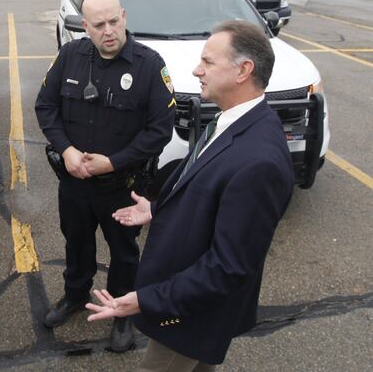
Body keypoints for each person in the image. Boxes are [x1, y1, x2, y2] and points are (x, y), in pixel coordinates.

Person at [86, 20, 295, 370]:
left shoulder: (260, 161)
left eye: (208, 62)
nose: (197, 70)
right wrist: (159, 209)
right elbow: (211, 193)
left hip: (189, 317)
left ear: (244, 70)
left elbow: (228, 267)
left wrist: (145, 300)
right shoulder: (234, 121)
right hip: (188, 305)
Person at [34, 0, 175, 351]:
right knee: (76, 243)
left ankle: (122, 312)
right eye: (99, 25)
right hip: (75, 182)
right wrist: (66, 151)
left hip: (121, 186)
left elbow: (160, 129)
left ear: (124, 16)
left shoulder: (148, 65)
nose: (108, 31)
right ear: (86, 26)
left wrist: (113, 161)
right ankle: (74, 296)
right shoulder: (70, 56)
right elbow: (45, 106)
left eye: (114, 21)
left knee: (124, 252)